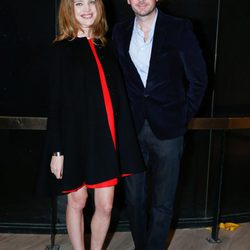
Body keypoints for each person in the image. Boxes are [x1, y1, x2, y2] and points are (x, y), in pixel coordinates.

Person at [37, 0, 144, 249]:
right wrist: (57, 151)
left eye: (91, 2)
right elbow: (56, 105)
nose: (86, 8)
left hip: (105, 140)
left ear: (99, 7)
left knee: (106, 205)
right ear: (69, 10)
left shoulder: (108, 47)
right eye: (78, 3)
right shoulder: (61, 50)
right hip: (73, 139)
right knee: (78, 201)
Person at [112, 0, 208, 249]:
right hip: (131, 129)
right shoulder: (119, 32)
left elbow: (199, 79)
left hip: (169, 130)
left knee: (163, 202)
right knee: (133, 199)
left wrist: (182, 116)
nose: (141, 0)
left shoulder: (179, 28)